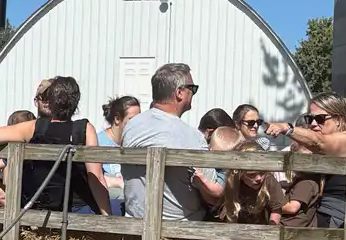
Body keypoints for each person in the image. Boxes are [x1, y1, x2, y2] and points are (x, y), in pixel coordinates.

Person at [0, 83, 109, 213]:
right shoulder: (84, 128)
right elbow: (96, 176)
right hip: (76, 207)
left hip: (39, 206)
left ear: (51, 102)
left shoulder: (34, 127)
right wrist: (107, 217)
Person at [118, 63, 223, 219]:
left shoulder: (131, 127)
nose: (193, 93)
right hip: (180, 226)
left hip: (135, 221)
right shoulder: (193, 137)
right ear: (179, 93)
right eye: (192, 89)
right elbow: (212, 194)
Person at [271, 95, 346, 227]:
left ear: (338, 120)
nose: (313, 124)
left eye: (320, 119)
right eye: (310, 119)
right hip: (324, 211)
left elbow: (318, 142)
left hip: (341, 217)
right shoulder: (326, 147)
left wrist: (287, 128)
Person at [211, 131, 286, 222]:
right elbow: (229, 210)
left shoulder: (269, 180)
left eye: (262, 172)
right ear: (240, 173)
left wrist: (271, 228)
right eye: (251, 175)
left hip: (263, 227)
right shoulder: (233, 181)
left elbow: (276, 210)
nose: (258, 178)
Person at [0, 109, 35, 207]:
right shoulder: (11, 149)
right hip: (15, 192)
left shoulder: (35, 144)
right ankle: (14, 210)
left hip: (32, 191)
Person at [97, 95, 138, 207]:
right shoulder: (98, 142)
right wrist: (118, 182)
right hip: (110, 202)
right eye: (132, 120)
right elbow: (93, 176)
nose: (138, 124)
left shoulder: (137, 144)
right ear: (117, 119)